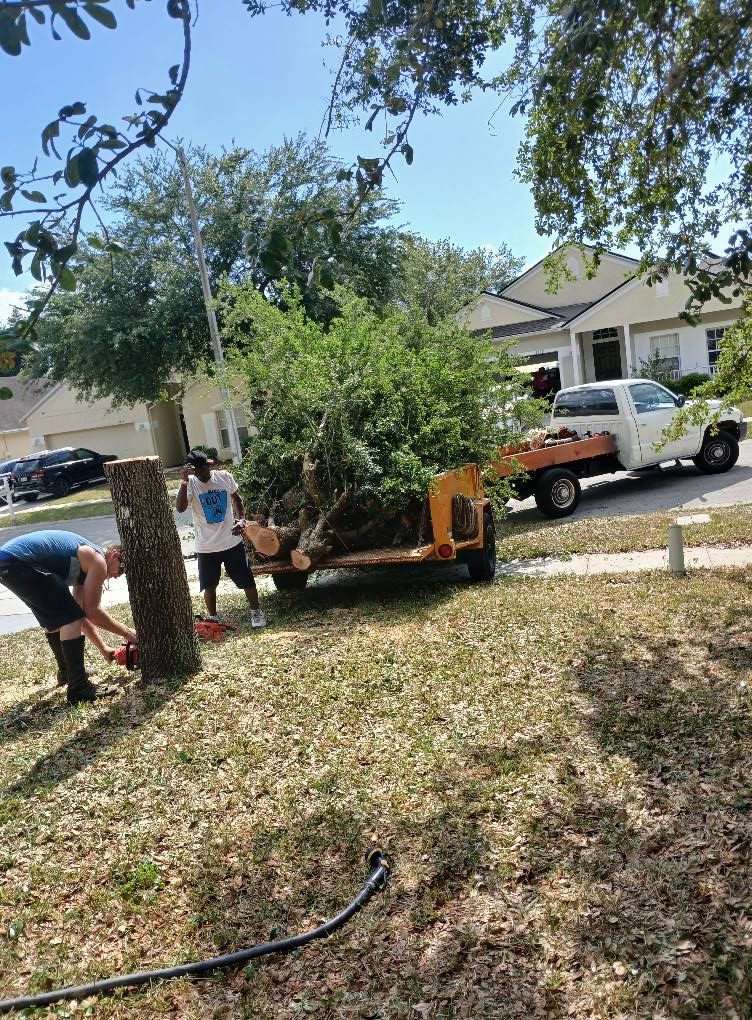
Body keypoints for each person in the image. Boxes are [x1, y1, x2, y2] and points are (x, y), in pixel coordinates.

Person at [0, 530, 137, 705]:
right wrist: (128, 633)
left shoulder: (84, 569)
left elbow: (80, 613)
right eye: (122, 568)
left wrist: (103, 648)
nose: (119, 575)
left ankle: (67, 673)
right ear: (114, 555)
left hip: (8, 562)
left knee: (63, 619)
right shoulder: (98, 560)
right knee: (68, 619)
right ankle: (79, 687)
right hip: (20, 561)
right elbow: (93, 612)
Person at [175, 449, 266, 629]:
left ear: (209, 465)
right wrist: (184, 481)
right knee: (209, 584)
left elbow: (237, 500)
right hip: (206, 546)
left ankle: (256, 612)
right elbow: (180, 508)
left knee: (246, 579)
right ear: (191, 471)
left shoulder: (224, 477)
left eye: (203, 470)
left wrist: (241, 520)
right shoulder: (190, 484)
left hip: (231, 541)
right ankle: (213, 618)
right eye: (197, 471)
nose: (201, 474)